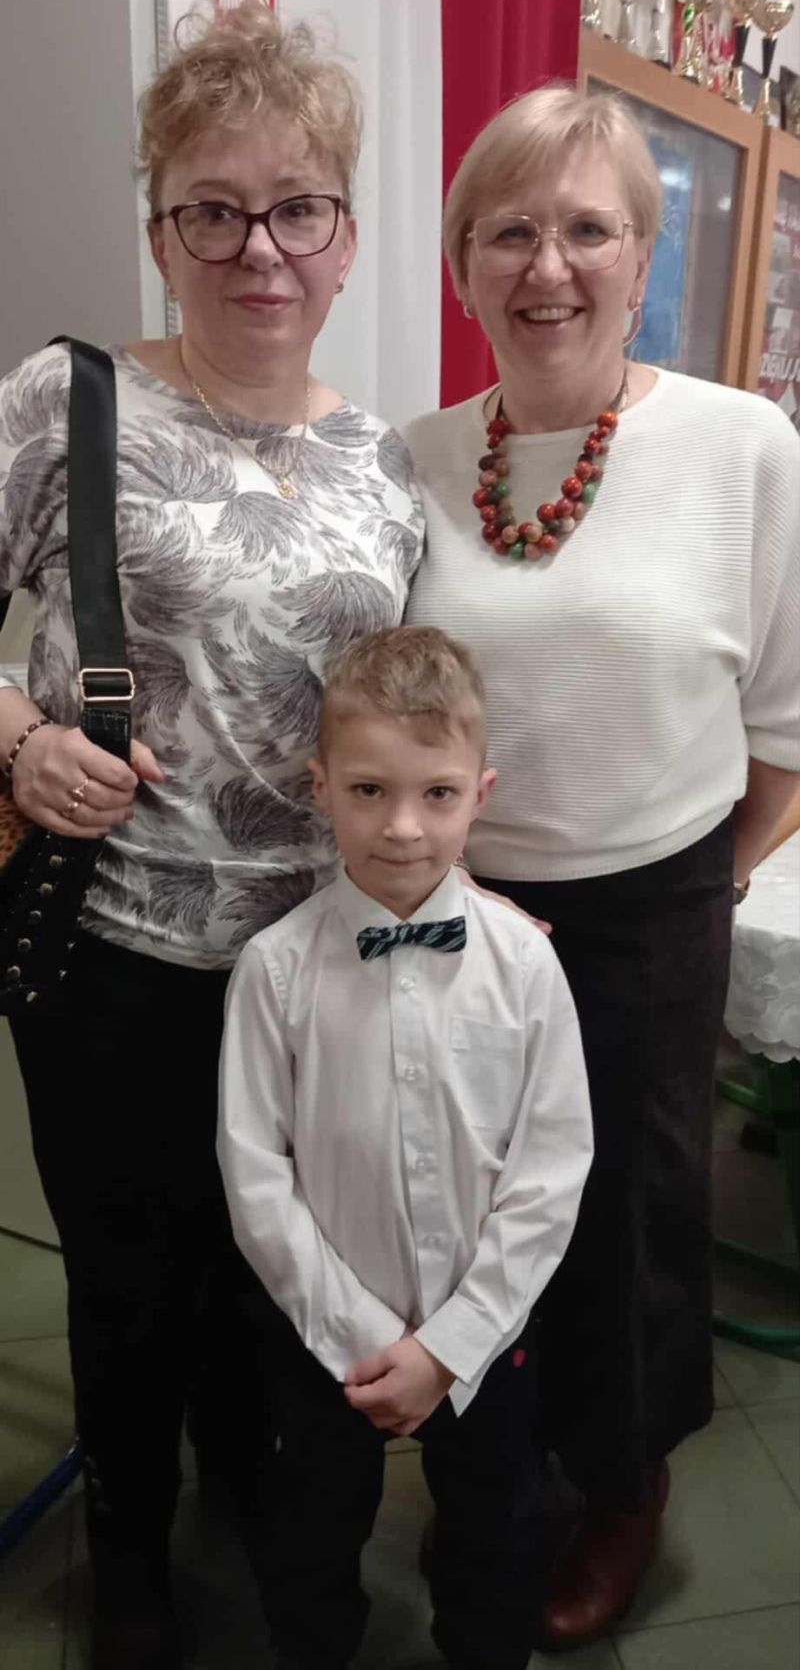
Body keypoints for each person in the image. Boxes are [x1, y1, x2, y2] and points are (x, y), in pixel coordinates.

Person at [0, 4, 422, 1670]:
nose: (260, 247)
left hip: (319, 970)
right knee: (131, 1281)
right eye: (215, 208)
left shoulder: (384, 465)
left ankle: (248, 1497)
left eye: (297, 207)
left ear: (347, 235)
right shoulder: (69, 400)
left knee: (278, 1271)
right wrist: (24, 735)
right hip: (115, 954)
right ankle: (131, 1562)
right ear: (161, 227)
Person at [404, 84, 800, 1649]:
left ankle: (622, 1480)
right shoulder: (415, 458)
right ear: (464, 265)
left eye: (588, 228)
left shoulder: (742, 444)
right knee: (469, 1196)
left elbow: (787, 723)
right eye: (511, 231)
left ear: (644, 256)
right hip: (456, 905)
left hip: (654, 902)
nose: (549, 265)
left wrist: (701, 882)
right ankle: (493, 1453)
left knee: (630, 1211)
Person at [218, 625, 593, 1670]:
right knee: (308, 1533)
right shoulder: (274, 970)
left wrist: (449, 1345)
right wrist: (357, 1335)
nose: (402, 827)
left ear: (480, 793)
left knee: (497, 1528)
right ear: (321, 787)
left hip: (487, 1332)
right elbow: (255, 1176)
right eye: (369, 790)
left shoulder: (526, 965)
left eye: (436, 794)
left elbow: (552, 1167)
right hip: (322, 1338)